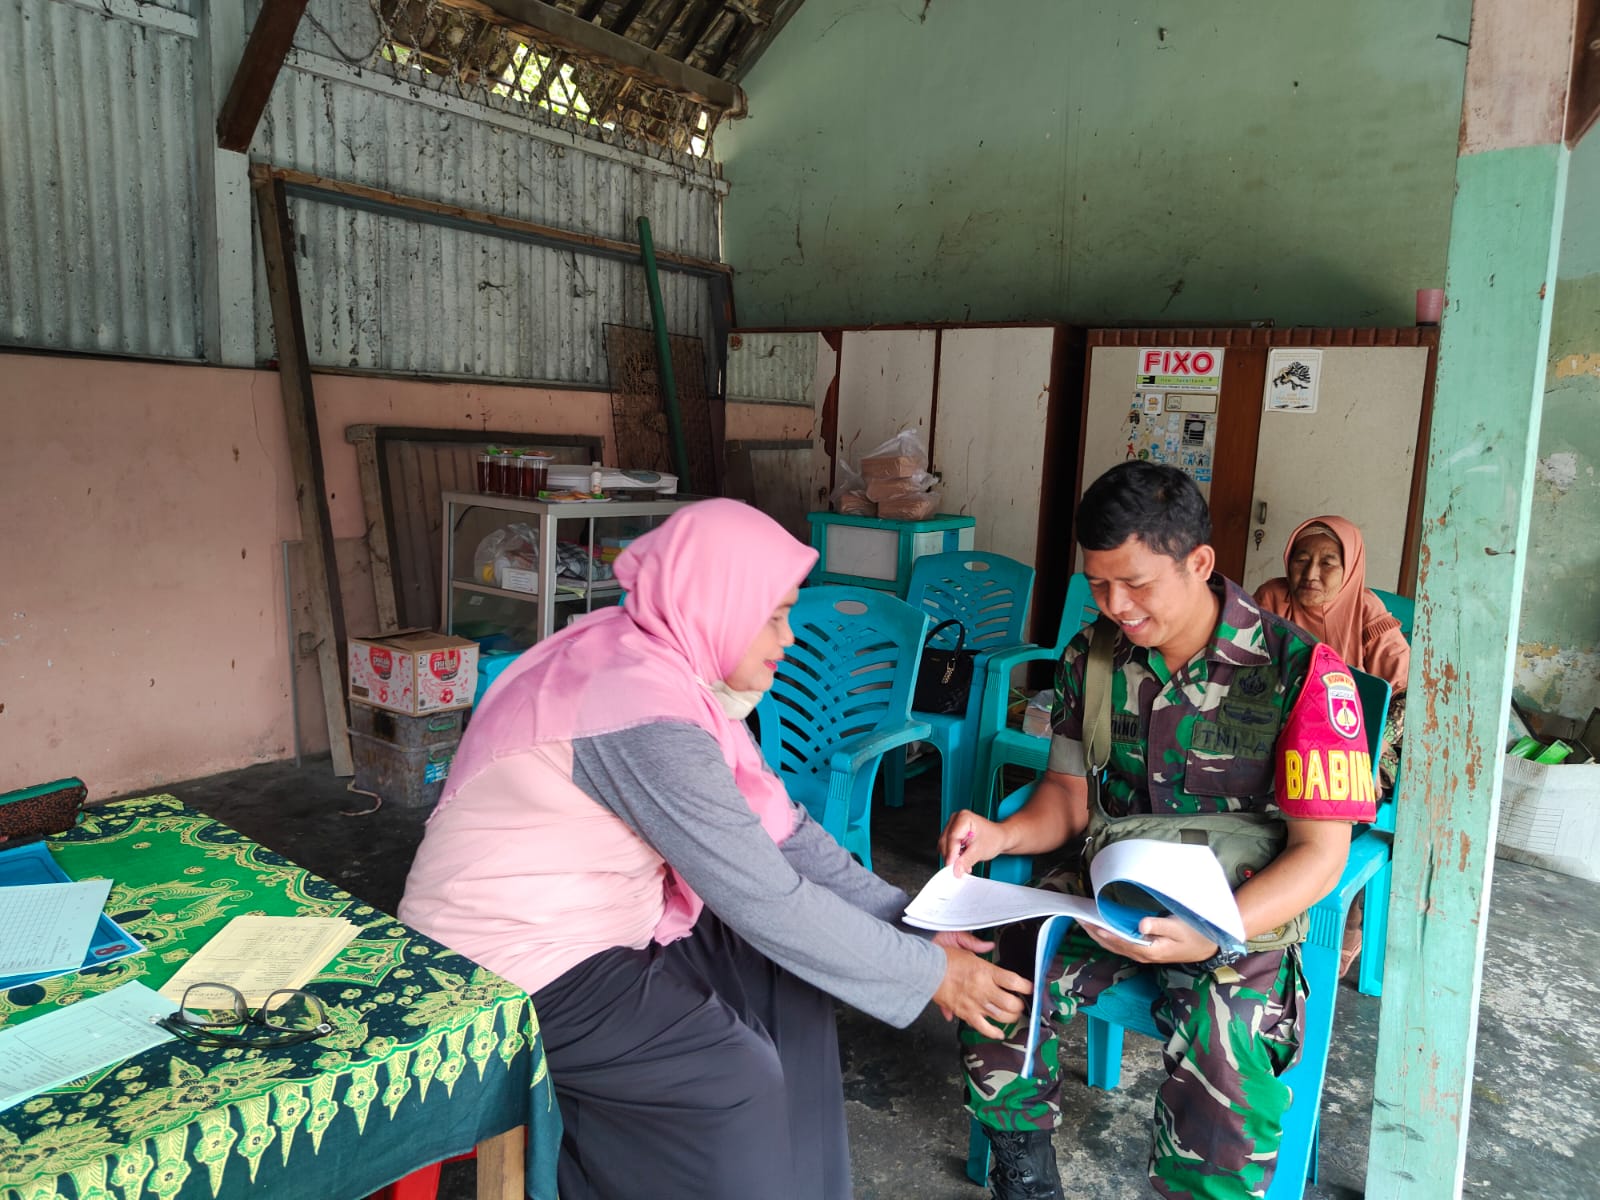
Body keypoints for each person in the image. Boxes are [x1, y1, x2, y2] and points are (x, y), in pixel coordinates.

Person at [399, 498, 1031, 1200]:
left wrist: (914, 925)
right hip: (504, 965)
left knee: (789, 980)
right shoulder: (637, 706)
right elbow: (764, 896)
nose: (787, 638)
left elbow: (786, 837)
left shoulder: (663, 667)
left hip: (599, 922)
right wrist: (926, 972)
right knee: (730, 1078)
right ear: (715, 601)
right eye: (772, 615)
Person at [941, 463, 1375, 1200]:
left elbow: (1321, 853)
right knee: (994, 962)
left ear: (1199, 564)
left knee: (1228, 1026)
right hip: (1106, 899)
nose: (1116, 607)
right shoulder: (1094, 658)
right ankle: (1024, 1167)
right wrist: (1001, 835)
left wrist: (1218, 930)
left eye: (1136, 584)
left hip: (1240, 914)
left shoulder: (1300, 673)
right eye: (1099, 585)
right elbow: (1068, 800)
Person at [1254, 514, 1412, 976]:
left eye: (1328, 562)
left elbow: (1405, 693)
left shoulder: (1367, 612)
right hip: (1276, 738)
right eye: (1301, 559)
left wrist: (1357, 750)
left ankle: (1342, 915)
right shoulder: (1271, 598)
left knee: (1340, 796)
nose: (1311, 574)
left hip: (1353, 748)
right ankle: (1262, 903)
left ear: (1351, 567)